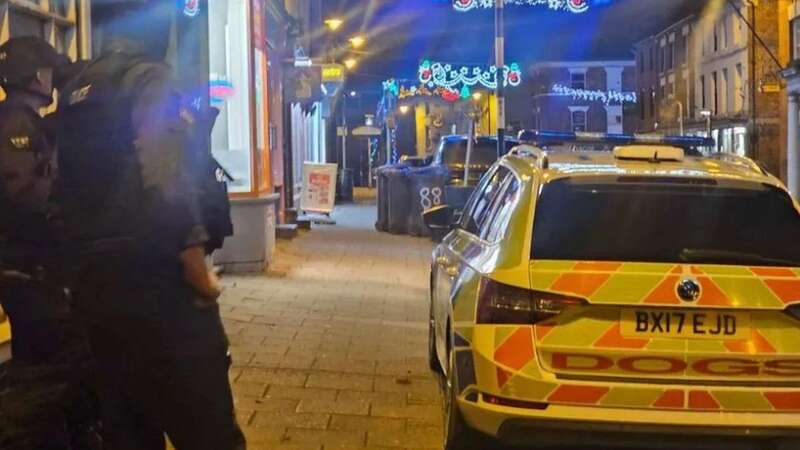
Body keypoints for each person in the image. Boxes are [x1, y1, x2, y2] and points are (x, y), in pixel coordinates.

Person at [54, 3, 243, 449]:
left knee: (129, 430)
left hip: (96, 290)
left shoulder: (79, 86)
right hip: (159, 285)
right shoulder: (148, 78)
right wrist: (194, 260)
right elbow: (165, 178)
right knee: (208, 430)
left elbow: (64, 184)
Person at [0, 37, 100, 450]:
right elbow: (25, 192)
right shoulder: (16, 124)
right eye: (50, 71)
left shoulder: (25, 120)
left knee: (55, 361)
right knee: (46, 367)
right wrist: (68, 208)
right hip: (30, 268)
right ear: (36, 75)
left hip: (32, 267)